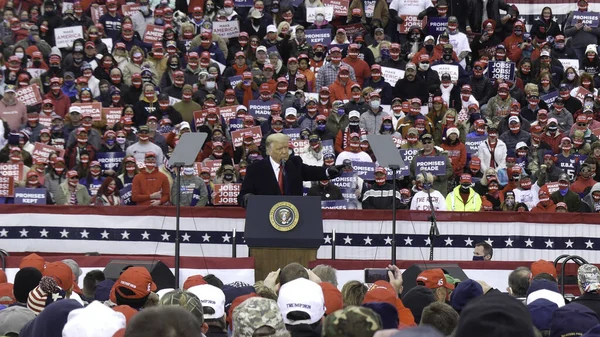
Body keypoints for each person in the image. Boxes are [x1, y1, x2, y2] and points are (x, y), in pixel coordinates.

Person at [238, 134, 343, 207]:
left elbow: (310, 171)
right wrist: (248, 199)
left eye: (286, 148)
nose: (284, 152)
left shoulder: (294, 163)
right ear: (268, 151)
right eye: (279, 149)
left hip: (294, 216)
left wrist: (328, 171)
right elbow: (242, 196)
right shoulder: (255, 169)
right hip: (266, 218)